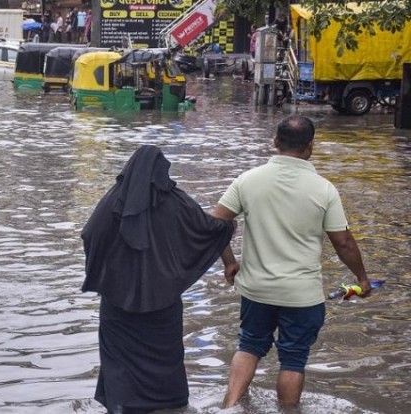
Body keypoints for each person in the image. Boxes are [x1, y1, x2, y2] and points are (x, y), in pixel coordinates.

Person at [210, 115, 371, 408]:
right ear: (311, 147)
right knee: (294, 358)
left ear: (275, 142)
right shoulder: (324, 189)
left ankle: (230, 405)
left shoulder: (247, 180)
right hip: (301, 295)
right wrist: (361, 279)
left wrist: (229, 262)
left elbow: (213, 225)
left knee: (248, 346)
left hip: (256, 289)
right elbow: (343, 242)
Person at [81, 145, 235, 413]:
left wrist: (106, 273)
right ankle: (168, 404)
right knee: (165, 355)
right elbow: (206, 229)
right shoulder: (177, 202)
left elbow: (90, 236)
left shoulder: (111, 202)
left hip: (117, 299)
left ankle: (121, 404)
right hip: (162, 298)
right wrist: (229, 227)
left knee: (119, 357)